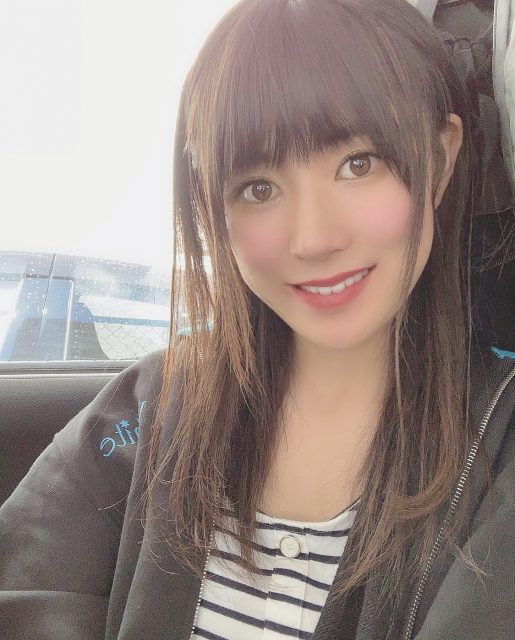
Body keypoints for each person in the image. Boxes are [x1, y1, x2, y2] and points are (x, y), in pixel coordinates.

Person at [0, 0, 513, 638]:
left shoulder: (501, 446)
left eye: (358, 163)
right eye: (259, 188)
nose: (313, 238)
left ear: (438, 159)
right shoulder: (147, 409)